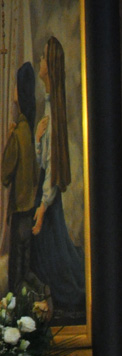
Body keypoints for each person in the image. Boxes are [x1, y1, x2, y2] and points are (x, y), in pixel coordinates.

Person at [31, 35, 85, 322]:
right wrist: (38, 140)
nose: (39, 61)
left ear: (49, 66)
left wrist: (42, 208)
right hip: (47, 191)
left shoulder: (53, 111)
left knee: (55, 258)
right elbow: (43, 160)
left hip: (48, 195)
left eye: (42, 57)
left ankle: (68, 301)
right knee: (54, 254)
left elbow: (51, 170)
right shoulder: (49, 105)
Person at [1, 61, 45, 300]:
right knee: (25, 267)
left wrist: (9, 139)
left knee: (16, 278)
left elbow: (4, 174)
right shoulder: (29, 129)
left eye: (16, 86)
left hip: (19, 210)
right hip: (29, 208)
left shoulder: (18, 133)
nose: (14, 91)